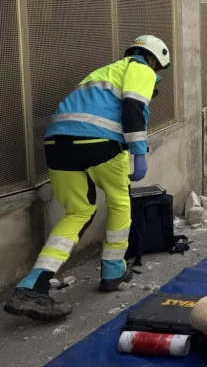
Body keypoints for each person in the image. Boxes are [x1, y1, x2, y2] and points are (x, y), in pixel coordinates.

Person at [3, 35, 170, 321]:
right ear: (154, 60)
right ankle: (113, 270)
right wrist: (138, 152)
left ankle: (32, 286)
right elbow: (133, 107)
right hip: (101, 143)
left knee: (78, 211)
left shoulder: (102, 73)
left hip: (57, 145)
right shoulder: (141, 69)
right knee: (119, 202)